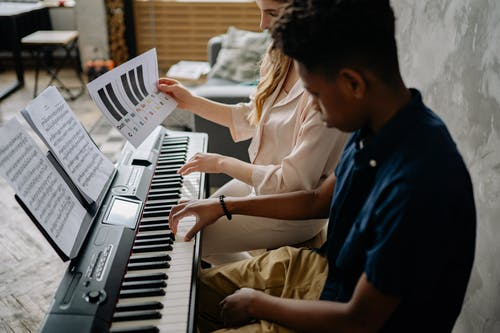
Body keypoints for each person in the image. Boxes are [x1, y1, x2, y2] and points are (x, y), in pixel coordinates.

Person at [168, 0, 477, 332]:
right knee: (186, 296)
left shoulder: (419, 185)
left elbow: (358, 321)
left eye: (314, 94)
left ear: (352, 84)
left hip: (344, 316)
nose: (314, 109)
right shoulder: (377, 126)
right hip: (324, 273)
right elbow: (317, 199)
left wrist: (259, 304)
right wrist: (223, 205)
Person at [158, 0, 348, 264]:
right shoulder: (279, 55)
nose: (262, 25)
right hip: (260, 185)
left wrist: (223, 163)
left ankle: (248, 288)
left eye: (272, 13)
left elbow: (291, 185)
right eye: (259, 12)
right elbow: (253, 115)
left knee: (192, 237)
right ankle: (246, 277)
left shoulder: (322, 91)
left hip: (292, 209)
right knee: (191, 221)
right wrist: (190, 100)